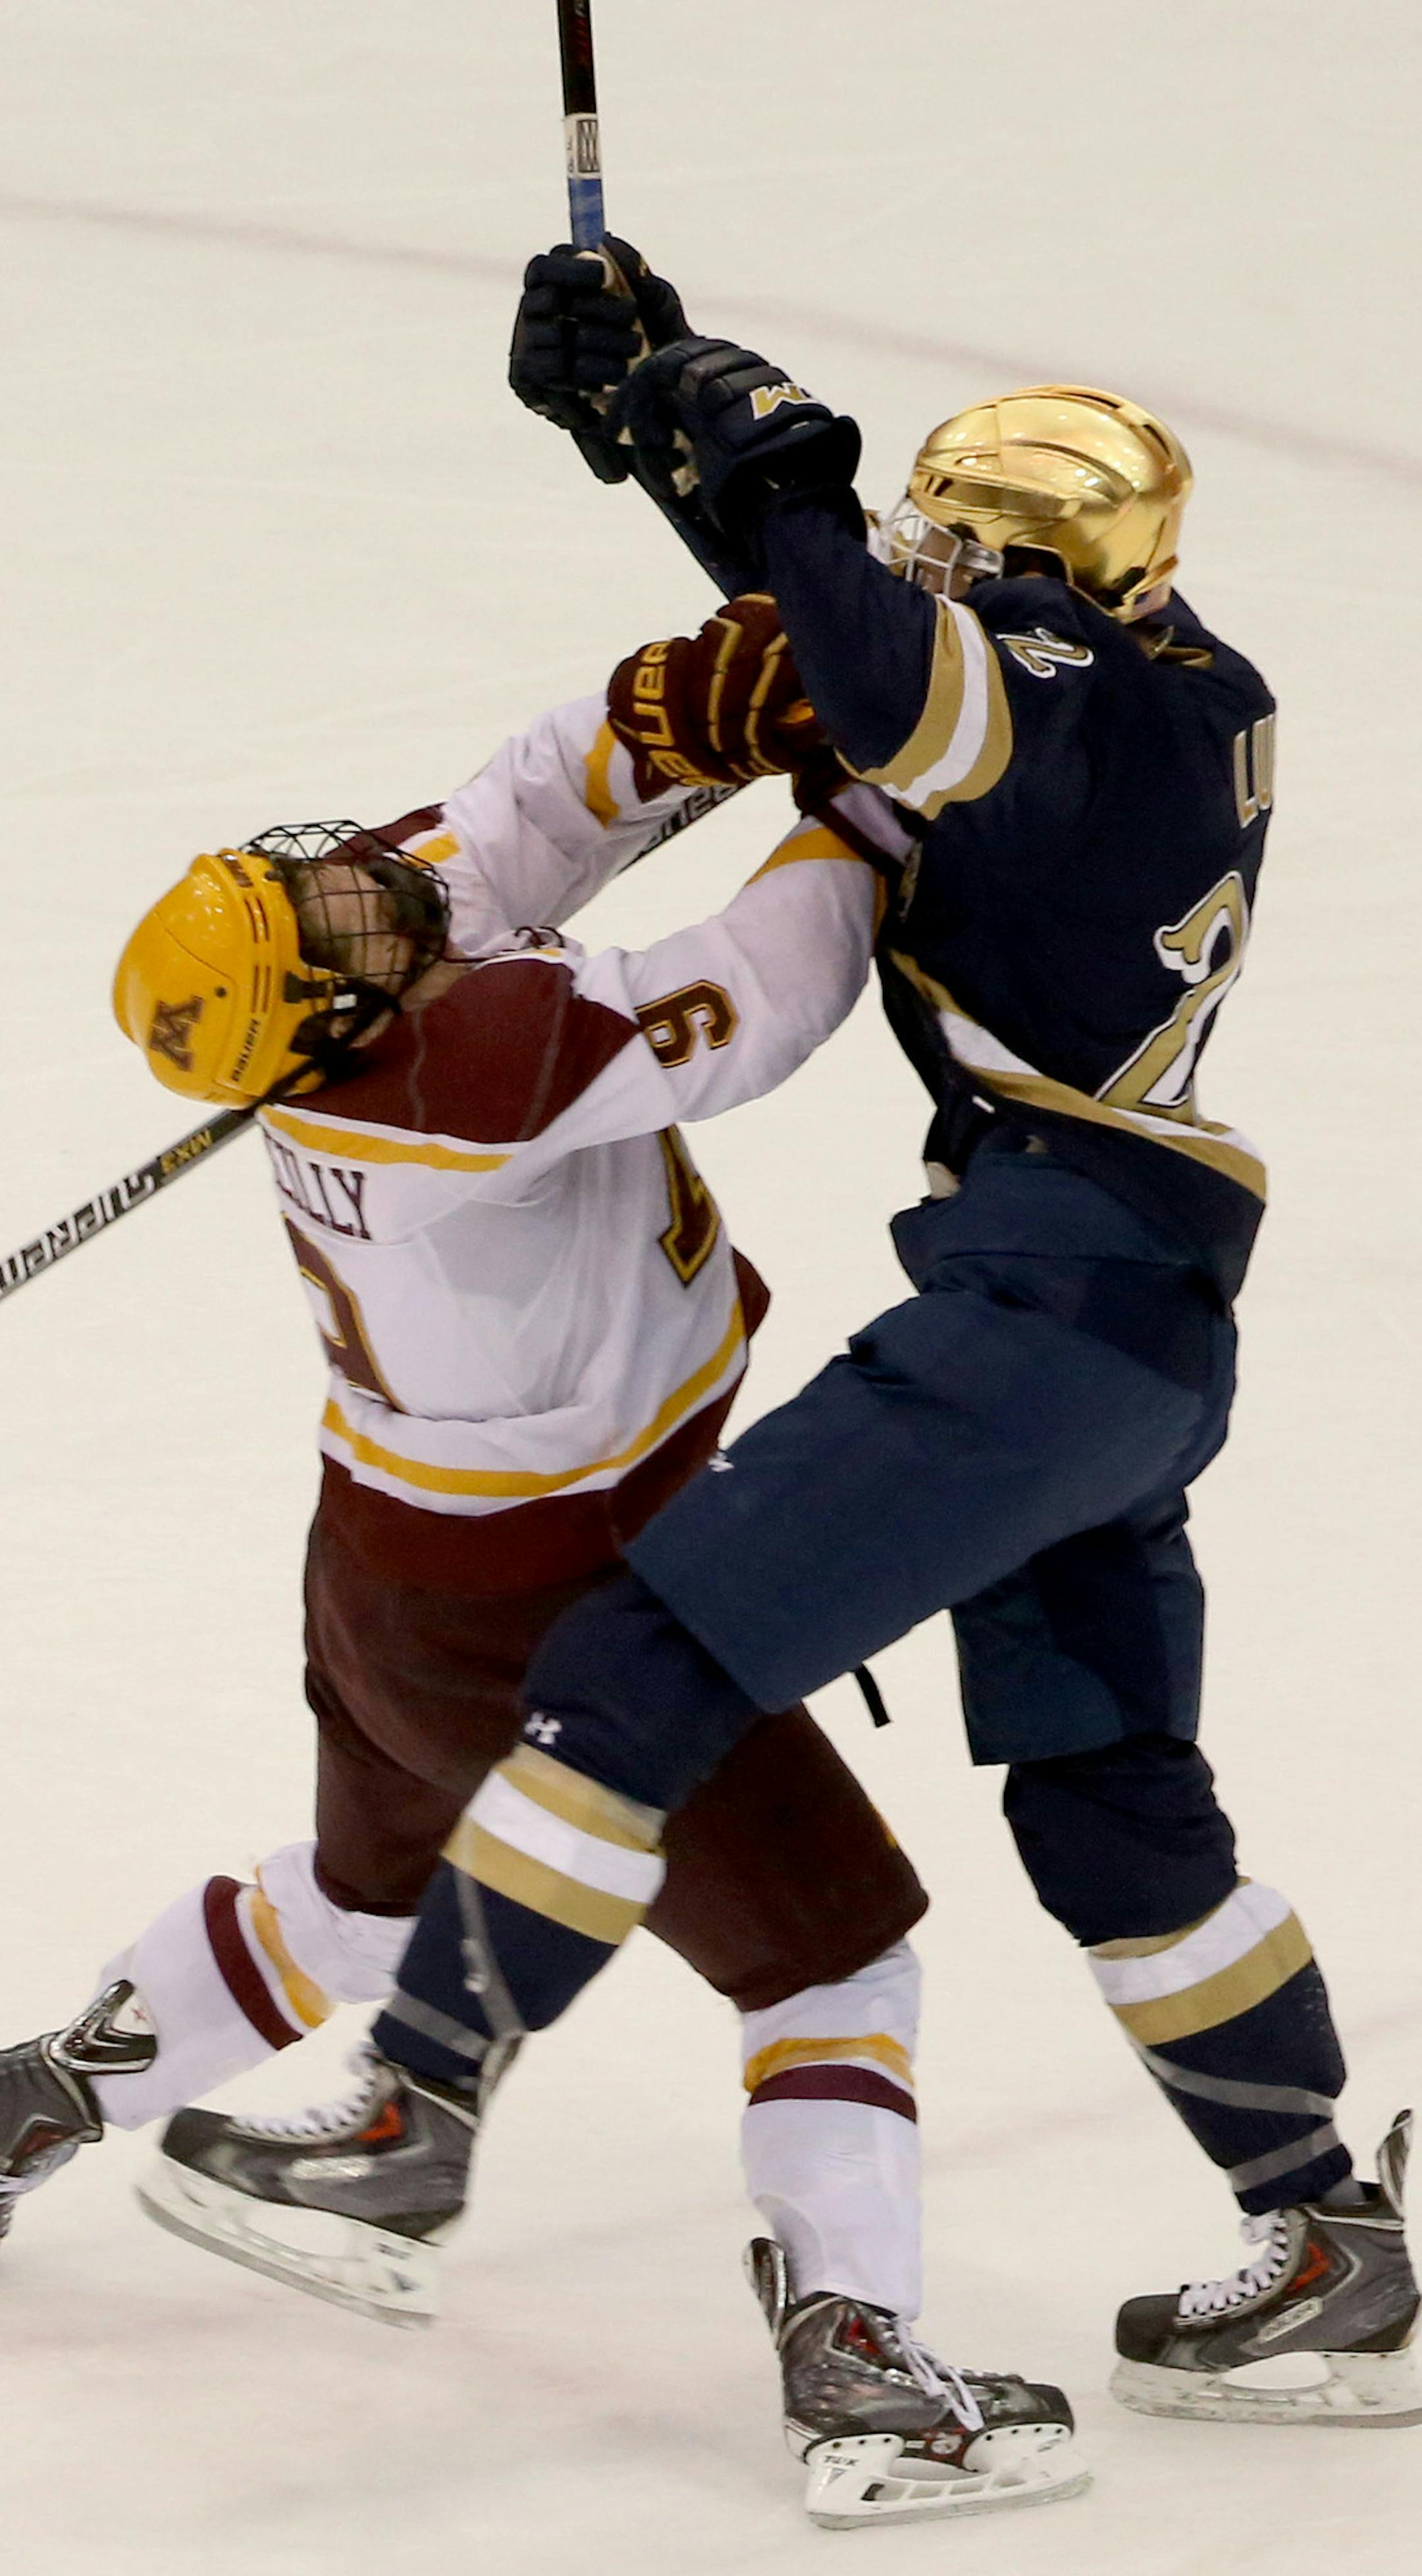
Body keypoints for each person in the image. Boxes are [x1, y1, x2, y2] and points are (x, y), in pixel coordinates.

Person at [134, 247, 1421, 2439]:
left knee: (638, 1670)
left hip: (1037, 1309)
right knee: (1115, 1814)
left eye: (948, 552)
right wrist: (651, 431)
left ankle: (414, 2116)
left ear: (1019, 584)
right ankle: (1331, 2238)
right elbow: (862, 656)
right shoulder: (1159, 671)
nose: (910, 574)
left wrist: (770, 457)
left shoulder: (1033, 701)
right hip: (1128, 1327)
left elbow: (877, 712)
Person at [0, 623, 1087, 2527]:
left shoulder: (363, 997)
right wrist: (865, 787)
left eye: (321, 884)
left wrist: (696, 700)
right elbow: (762, 995)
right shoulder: (459, 1061)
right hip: (575, 1603)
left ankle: (39, 2090)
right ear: (336, 1021)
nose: (366, 888)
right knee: (834, 1954)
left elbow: (513, 814)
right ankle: (867, 2377)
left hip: (394, 1578)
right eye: (329, 921)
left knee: (362, 1905)